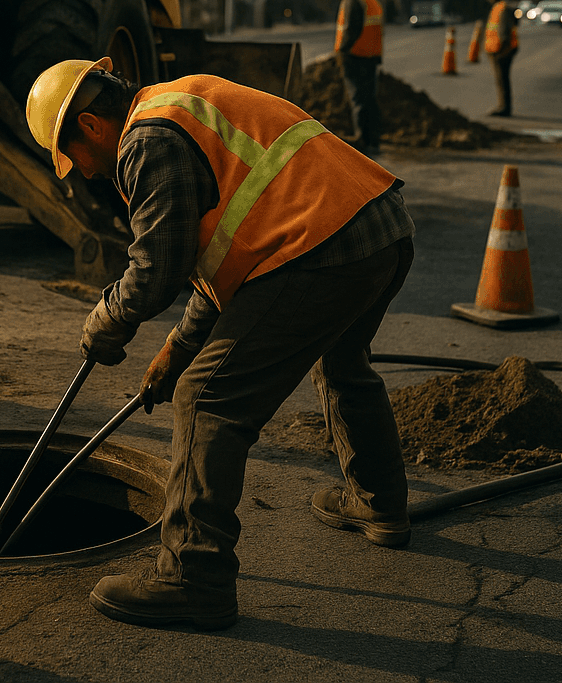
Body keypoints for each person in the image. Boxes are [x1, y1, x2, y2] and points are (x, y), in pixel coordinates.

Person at [24, 57, 416, 631]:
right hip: (377, 228)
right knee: (342, 364)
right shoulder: (176, 107)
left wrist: (107, 320)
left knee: (207, 400)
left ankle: (194, 578)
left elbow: (156, 268)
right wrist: (175, 349)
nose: (82, 172)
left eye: (73, 158)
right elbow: (228, 256)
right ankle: (379, 503)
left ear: (90, 125)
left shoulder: (146, 141)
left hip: (321, 249)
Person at [333, 0, 384, 155]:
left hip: (354, 56)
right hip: (370, 57)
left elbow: (350, 30)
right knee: (369, 99)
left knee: (358, 100)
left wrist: (341, 52)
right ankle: (373, 141)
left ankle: (363, 140)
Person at [482, 0, 520, 116]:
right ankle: (503, 106)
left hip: (502, 50)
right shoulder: (500, 8)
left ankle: (504, 108)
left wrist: (502, 51)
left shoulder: (502, 9)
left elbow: (504, 33)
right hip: (500, 49)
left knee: (502, 80)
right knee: (502, 79)